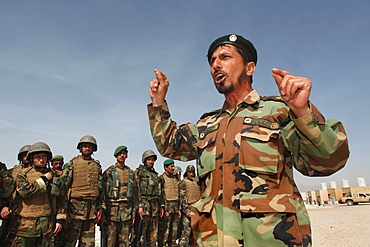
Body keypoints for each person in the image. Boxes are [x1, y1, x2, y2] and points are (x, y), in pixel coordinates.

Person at [147, 34, 350, 246]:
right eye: (212, 61)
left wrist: (303, 112)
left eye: (224, 57)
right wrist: (158, 103)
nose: (215, 64)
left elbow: (327, 161)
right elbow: (170, 144)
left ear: (249, 68)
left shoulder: (279, 111)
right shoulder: (206, 124)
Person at [5, 142, 66, 247]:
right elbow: (24, 192)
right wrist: (44, 179)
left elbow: (61, 198)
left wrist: (60, 220)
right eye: (38, 157)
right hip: (25, 226)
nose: (41, 160)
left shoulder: (55, 175)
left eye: (44, 157)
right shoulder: (23, 174)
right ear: (32, 158)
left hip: (47, 226)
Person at [62, 135, 105, 247]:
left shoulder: (97, 166)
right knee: (69, 242)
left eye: (89, 147)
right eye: (85, 146)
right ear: (80, 148)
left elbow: (100, 190)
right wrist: (63, 210)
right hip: (74, 210)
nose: (87, 148)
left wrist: (100, 208)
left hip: (91, 211)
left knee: (88, 243)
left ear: (93, 149)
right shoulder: (71, 164)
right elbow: (63, 189)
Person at [102, 145, 136, 247]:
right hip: (112, 212)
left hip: (127, 211)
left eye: (124, 154)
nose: (122, 155)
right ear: (116, 156)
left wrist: (133, 214)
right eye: (120, 154)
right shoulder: (109, 172)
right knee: (110, 241)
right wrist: (103, 212)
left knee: (125, 241)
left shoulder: (131, 173)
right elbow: (103, 192)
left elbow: (135, 194)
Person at [133, 150, 164, 247]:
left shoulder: (155, 175)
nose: (151, 162)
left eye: (152, 160)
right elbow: (136, 191)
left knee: (153, 234)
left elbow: (160, 192)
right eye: (149, 160)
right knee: (141, 233)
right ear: (144, 160)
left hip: (154, 207)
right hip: (144, 206)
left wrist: (161, 206)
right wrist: (139, 206)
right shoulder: (138, 173)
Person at [158, 159, 181, 247]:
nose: (173, 168)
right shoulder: (161, 178)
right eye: (171, 166)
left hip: (175, 207)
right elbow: (160, 194)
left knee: (174, 232)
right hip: (167, 207)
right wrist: (163, 208)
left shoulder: (175, 179)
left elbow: (178, 194)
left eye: (173, 166)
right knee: (165, 232)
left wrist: (178, 209)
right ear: (165, 168)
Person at [178, 165, 200, 247]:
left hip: (196, 210)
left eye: (192, 172)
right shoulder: (183, 183)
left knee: (195, 235)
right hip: (188, 211)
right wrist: (187, 211)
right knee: (185, 234)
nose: (191, 174)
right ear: (186, 173)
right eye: (190, 172)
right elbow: (182, 198)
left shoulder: (195, 183)